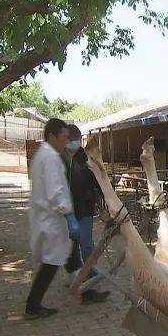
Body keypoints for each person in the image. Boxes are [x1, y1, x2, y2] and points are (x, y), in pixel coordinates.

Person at [24, 118, 82, 320]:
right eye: (64, 137)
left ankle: (79, 283)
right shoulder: (50, 158)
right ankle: (33, 305)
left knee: (56, 258)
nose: (67, 141)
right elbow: (56, 191)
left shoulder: (45, 155)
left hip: (49, 217)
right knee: (52, 261)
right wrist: (69, 215)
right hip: (52, 218)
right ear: (52, 136)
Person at [61, 125, 110, 302]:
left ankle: (87, 277)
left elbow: (98, 181)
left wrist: (102, 198)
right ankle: (78, 277)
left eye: (77, 137)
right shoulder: (61, 158)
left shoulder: (86, 158)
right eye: (72, 137)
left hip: (84, 210)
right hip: (65, 211)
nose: (74, 141)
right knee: (70, 248)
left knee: (86, 246)